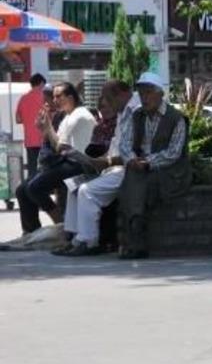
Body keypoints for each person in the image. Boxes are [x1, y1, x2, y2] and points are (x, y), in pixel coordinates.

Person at [54, 80, 137, 256]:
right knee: (73, 187)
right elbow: (115, 145)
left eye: (108, 99)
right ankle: (75, 238)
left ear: (120, 95)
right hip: (110, 166)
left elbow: (131, 150)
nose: (106, 105)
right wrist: (97, 160)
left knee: (86, 190)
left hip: (125, 168)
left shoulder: (134, 112)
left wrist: (106, 162)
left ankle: (88, 241)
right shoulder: (123, 112)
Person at [116, 72, 191, 259]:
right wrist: (133, 159)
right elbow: (124, 144)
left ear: (160, 94)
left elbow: (173, 153)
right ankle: (136, 230)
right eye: (141, 93)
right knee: (133, 176)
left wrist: (148, 162)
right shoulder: (137, 115)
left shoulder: (176, 118)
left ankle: (134, 235)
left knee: (138, 182)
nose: (144, 97)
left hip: (169, 171)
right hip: (141, 168)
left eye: (149, 93)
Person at [15, 82, 97, 234]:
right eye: (53, 97)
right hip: (65, 161)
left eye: (58, 96)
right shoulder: (66, 116)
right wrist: (45, 129)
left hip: (80, 164)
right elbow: (56, 144)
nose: (54, 100)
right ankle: (31, 231)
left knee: (35, 187)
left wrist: (47, 128)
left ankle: (63, 227)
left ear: (70, 97)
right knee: (22, 189)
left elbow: (60, 146)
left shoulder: (79, 116)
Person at [16, 73, 47, 179]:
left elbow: (18, 119)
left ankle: (30, 191)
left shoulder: (23, 98)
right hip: (43, 139)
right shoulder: (44, 98)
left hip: (29, 140)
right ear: (41, 83)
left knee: (32, 168)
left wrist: (28, 118)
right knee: (44, 168)